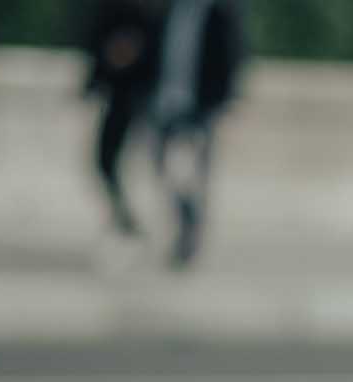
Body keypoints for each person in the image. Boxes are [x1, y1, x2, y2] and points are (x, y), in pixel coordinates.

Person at [150, 0, 245, 269]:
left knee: (188, 173)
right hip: (166, 105)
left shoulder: (219, 10)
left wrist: (222, 100)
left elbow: (232, 53)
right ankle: (186, 221)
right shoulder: (171, 8)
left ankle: (189, 231)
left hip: (199, 108)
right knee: (165, 170)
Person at [84, 0, 166, 238]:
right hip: (122, 98)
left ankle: (132, 222)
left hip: (136, 98)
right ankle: (127, 219)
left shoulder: (146, 12)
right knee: (106, 161)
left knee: (140, 165)